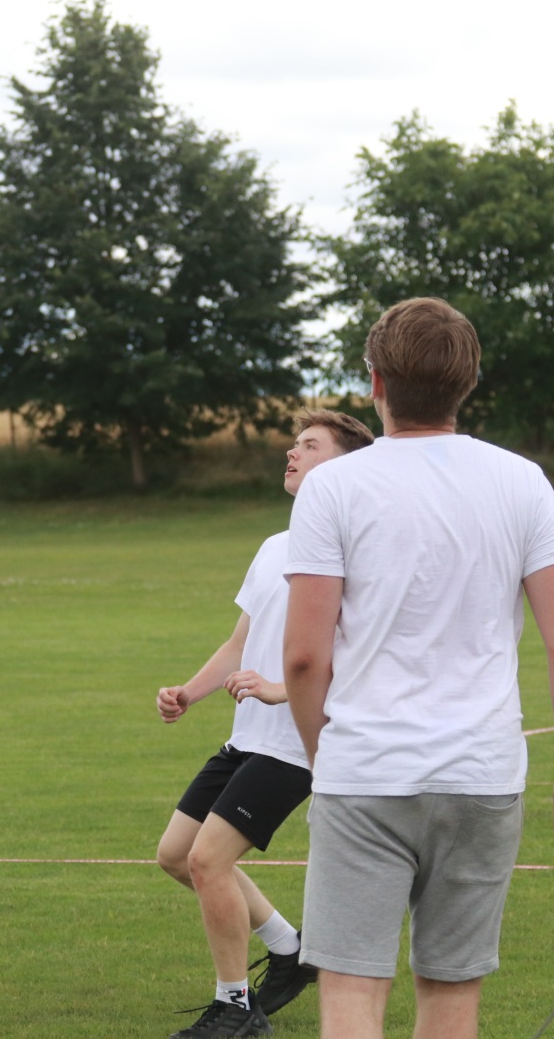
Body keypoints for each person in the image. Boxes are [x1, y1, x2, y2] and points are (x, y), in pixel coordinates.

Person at [283, 297, 554, 1039]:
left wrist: (324, 753)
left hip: (364, 770)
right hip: (483, 773)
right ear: (469, 382)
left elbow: (302, 654)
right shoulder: (522, 481)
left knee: (352, 995)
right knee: (450, 998)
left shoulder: (334, 487)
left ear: (375, 384)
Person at [156, 410, 375, 1038]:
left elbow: (363, 654)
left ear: (344, 467)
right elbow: (240, 643)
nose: (291, 453)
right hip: (246, 738)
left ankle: (234, 1008)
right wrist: (189, 694)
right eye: (292, 444)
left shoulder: (357, 549)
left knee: (208, 862)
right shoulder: (275, 548)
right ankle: (288, 950)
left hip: (297, 746)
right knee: (175, 855)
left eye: (309, 446)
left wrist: (286, 690)